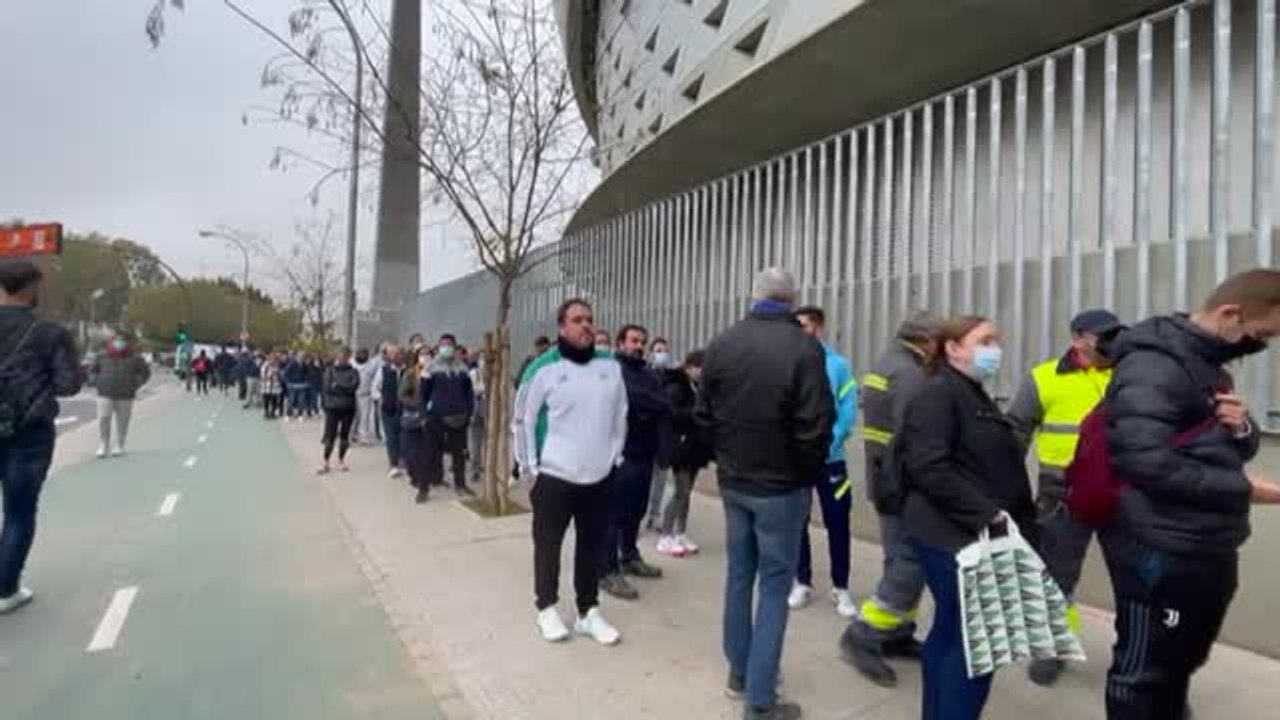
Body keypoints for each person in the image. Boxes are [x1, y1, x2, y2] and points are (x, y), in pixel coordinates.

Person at [1102, 269, 1280, 720]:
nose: (1261, 345)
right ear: (1230, 314)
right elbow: (1144, 462)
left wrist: (1242, 427)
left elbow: (1218, 445)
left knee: (1177, 661)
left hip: (1203, 542)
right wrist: (1243, 489)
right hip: (1160, 548)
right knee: (1143, 672)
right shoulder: (1153, 366)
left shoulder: (1206, 366)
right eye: (1261, 335)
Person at [698, 268, 833, 720]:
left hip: (735, 481)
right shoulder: (804, 347)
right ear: (793, 301)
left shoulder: (722, 343)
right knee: (775, 586)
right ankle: (759, 700)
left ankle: (740, 672)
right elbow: (817, 423)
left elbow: (704, 414)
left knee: (740, 574)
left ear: (754, 297)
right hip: (782, 487)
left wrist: (725, 458)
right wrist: (804, 475)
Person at [896, 315, 1035, 720]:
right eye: (985, 340)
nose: (995, 349)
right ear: (953, 348)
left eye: (997, 340)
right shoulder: (940, 393)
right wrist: (988, 514)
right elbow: (929, 467)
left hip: (966, 534)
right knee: (978, 647)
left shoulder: (971, 393)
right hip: (954, 537)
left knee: (950, 635)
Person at [1007, 308, 1123, 686]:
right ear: (1077, 339)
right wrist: (1006, 489)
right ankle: (1053, 648)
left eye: (1114, 334)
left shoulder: (1129, 374)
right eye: (1101, 335)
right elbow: (1015, 435)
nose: (1109, 342)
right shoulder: (1043, 378)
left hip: (1124, 492)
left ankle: (1143, 662)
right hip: (1061, 495)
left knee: (1137, 580)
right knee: (1056, 576)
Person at [514, 298, 627, 646]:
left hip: (599, 476)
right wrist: (530, 471)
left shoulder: (610, 366)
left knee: (591, 547)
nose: (586, 325)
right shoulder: (542, 369)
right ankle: (546, 608)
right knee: (548, 546)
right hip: (554, 477)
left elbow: (620, 413)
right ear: (561, 327)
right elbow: (523, 421)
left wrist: (615, 457)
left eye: (590, 319)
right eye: (578, 320)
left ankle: (587, 611)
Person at [839, 313, 939, 686]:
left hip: (886, 480)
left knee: (899, 556)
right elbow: (917, 434)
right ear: (926, 341)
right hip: (904, 485)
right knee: (910, 562)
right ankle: (864, 633)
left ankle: (896, 632)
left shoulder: (886, 363)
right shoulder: (911, 374)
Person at [0, 260, 82, 615]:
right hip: (28, 433)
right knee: (18, 512)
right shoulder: (50, 333)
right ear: (32, 287)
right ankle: (6, 590)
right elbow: (68, 385)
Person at [789, 306, 859, 618]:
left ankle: (841, 587)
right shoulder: (788, 363)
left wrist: (829, 442)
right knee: (796, 522)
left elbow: (848, 409)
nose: (797, 332)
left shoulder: (838, 365)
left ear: (817, 327)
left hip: (831, 460)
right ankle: (801, 581)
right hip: (798, 461)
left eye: (801, 326)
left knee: (838, 522)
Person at [599, 325, 670, 601]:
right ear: (620, 344)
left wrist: (652, 405)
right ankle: (607, 570)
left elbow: (663, 402)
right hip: (621, 453)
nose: (638, 345)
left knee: (636, 510)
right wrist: (654, 404)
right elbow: (634, 397)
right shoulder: (614, 370)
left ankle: (629, 555)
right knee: (614, 515)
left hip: (645, 452)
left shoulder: (649, 373)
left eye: (642, 341)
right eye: (633, 341)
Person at [655, 350, 711, 557]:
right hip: (680, 447)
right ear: (689, 367)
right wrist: (696, 412)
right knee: (681, 491)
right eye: (700, 368)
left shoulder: (697, 387)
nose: (702, 373)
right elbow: (673, 414)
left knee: (687, 493)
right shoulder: (676, 387)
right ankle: (666, 534)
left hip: (695, 448)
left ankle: (680, 532)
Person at [422, 334, 475, 495]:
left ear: (454, 347)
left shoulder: (462, 368)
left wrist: (468, 413)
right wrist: (424, 415)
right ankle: (424, 488)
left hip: (458, 418)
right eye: (443, 344)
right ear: (438, 347)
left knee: (459, 453)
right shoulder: (430, 367)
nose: (446, 347)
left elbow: (468, 394)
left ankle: (460, 484)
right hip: (436, 417)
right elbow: (423, 394)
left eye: (449, 344)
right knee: (431, 452)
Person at [89, 331, 151, 458]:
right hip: (105, 392)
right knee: (103, 418)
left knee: (122, 421)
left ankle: (119, 445)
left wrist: (135, 384)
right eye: (116, 340)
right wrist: (96, 381)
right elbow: (92, 371)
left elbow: (145, 372)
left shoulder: (134, 357)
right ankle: (103, 445)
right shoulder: (101, 356)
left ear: (126, 343)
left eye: (122, 340)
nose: (119, 343)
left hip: (126, 394)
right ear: (111, 342)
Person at [646, 336, 676, 532]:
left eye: (664, 350)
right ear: (651, 353)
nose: (661, 354)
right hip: (647, 435)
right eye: (658, 350)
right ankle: (642, 514)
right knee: (645, 479)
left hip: (666, 436)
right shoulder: (645, 374)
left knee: (661, 479)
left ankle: (655, 514)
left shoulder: (675, 377)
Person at [318, 348, 359, 474]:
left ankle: (341, 460)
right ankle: (326, 462)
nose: (343, 359)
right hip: (332, 408)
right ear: (337, 356)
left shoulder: (354, 371)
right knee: (330, 436)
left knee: (345, 436)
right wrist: (344, 387)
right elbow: (328, 388)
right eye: (341, 356)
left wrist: (338, 386)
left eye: (346, 357)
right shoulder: (330, 371)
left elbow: (354, 387)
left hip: (348, 407)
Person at [400, 345, 433, 502]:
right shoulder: (410, 374)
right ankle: (415, 476)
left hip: (430, 420)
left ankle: (423, 487)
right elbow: (402, 395)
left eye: (428, 354)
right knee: (410, 454)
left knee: (424, 455)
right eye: (422, 354)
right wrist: (418, 404)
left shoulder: (436, 373)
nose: (425, 357)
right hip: (412, 418)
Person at [372, 344, 405, 478]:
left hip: (404, 409)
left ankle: (403, 459)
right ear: (388, 356)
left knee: (403, 437)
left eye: (398, 353)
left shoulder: (407, 371)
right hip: (388, 410)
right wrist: (382, 399)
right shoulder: (383, 370)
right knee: (391, 438)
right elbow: (375, 389)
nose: (396, 356)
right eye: (393, 354)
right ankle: (394, 465)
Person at [467, 346, 488, 486]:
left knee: (489, 441)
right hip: (477, 407)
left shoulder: (495, 375)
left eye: (484, 358)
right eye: (481, 358)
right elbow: (472, 391)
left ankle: (487, 466)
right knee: (476, 441)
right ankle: (475, 469)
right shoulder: (473, 373)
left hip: (489, 407)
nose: (483, 361)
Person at [353, 347, 380, 446]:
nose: (362, 355)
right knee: (353, 416)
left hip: (366, 395)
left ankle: (363, 436)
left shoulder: (372, 365)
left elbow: (376, 378)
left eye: (364, 354)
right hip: (352, 394)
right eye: (360, 353)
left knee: (365, 417)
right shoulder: (352, 363)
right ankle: (351, 434)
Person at [283, 352, 308, 420]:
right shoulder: (291, 364)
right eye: (300, 356)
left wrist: (306, 382)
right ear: (297, 356)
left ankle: (300, 415)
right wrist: (288, 383)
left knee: (301, 401)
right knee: (291, 400)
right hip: (292, 385)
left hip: (302, 386)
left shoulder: (304, 364)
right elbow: (285, 374)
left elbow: (306, 374)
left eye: (303, 356)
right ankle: (288, 415)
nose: (302, 358)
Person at [261, 353, 284, 420]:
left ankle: (273, 413)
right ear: (269, 359)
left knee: (274, 400)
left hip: (275, 386)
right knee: (266, 400)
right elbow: (263, 376)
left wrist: (278, 373)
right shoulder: (265, 366)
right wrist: (272, 373)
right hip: (266, 386)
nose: (273, 360)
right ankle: (266, 412)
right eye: (272, 359)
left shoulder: (276, 365)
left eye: (274, 359)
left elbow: (279, 375)